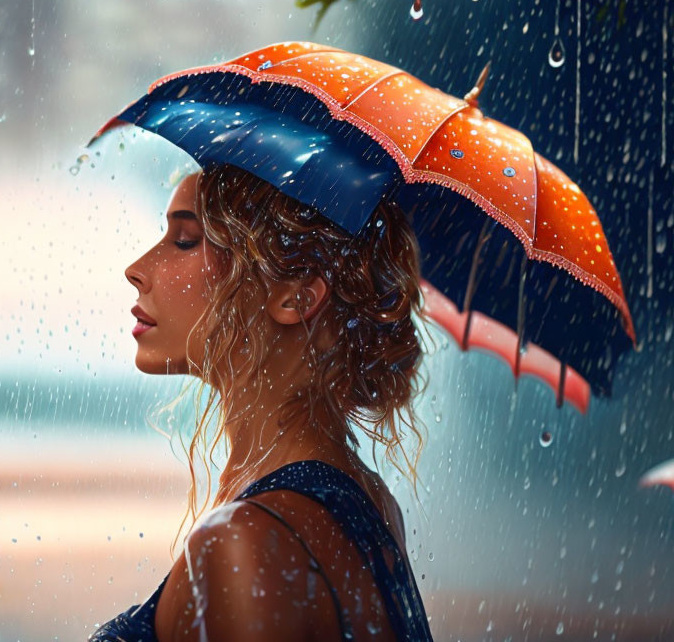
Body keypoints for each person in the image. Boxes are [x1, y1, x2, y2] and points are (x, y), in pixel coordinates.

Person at [88, 161, 436, 641]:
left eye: (186, 240)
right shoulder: (366, 503)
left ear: (296, 295)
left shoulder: (244, 547)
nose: (137, 270)